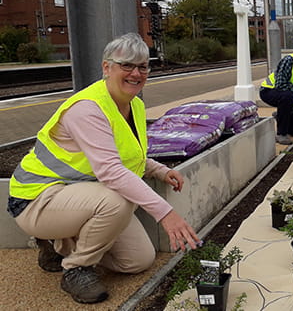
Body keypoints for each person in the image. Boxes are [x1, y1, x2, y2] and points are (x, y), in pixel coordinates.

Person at [7, 33, 200, 304]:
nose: (136, 73)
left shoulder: (134, 104)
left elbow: (126, 154)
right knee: (118, 199)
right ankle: (76, 269)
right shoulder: (88, 109)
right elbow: (110, 171)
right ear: (106, 67)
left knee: (137, 260)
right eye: (127, 65)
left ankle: (60, 244)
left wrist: (157, 170)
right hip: (36, 198)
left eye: (143, 66)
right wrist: (166, 214)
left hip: (77, 196)